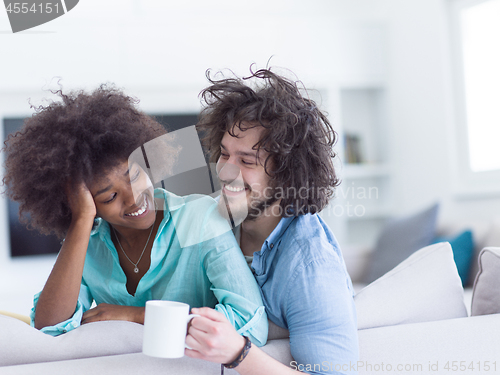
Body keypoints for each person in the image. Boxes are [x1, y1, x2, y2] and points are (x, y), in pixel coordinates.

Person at [1, 85, 267, 346]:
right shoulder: (88, 243)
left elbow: (251, 324)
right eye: (110, 197)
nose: (134, 197)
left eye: (136, 175)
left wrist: (135, 315)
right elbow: (49, 328)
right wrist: (81, 220)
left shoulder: (200, 218)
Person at [185, 68, 359, 375]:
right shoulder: (209, 219)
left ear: (286, 174)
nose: (226, 171)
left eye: (246, 161)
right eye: (224, 154)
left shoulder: (310, 267)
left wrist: (238, 353)